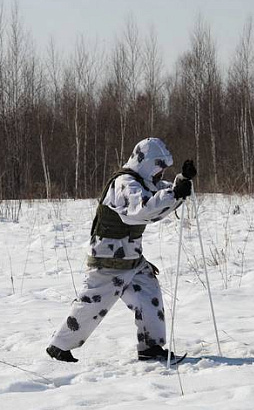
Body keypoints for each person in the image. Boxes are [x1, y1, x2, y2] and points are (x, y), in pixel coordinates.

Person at [46, 137, 197, 363]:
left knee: (149, 298)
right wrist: (174, 194)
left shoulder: (143, 182)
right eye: (159, 167)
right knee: (92, 304)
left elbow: (160, 193)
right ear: (146, 162)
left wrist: (181, 183)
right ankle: (59, 347)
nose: (161, 173)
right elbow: (142, 209)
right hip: (108, 261)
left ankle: (151, 348)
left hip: (133, 260)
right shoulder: (125, 184)